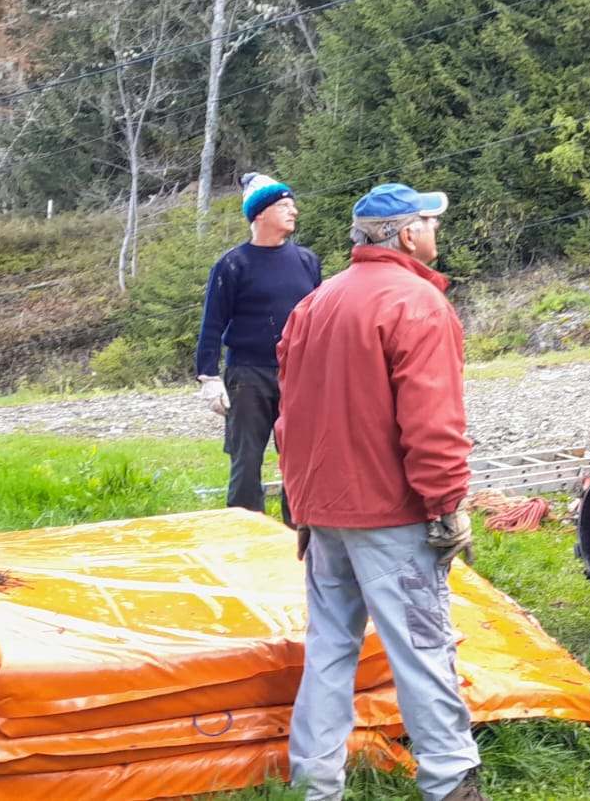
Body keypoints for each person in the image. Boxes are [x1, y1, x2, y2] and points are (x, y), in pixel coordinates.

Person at [275, 182, 486, 801]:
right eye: (429, 221)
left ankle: (314, 787)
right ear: (405, 235)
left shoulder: (313, 305)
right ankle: (450, 783)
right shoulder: (417, 304)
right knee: (423, 651)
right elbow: (433, 423)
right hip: (391, 514)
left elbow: (290, 420)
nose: (435, 232)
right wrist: (447, 506)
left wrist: (302, 507)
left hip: (324, 512)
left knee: (329, 651)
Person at [194, 171, 322, 517]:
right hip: (247, 375)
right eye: (284, 205)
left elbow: (319, 321)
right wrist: (208, 376)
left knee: (299, 459)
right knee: (246, 459)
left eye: (293, 205)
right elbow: (212, 323)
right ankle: (244, 531)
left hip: (297, 375)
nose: (293, 211)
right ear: (260, 213)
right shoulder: (233, 264)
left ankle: (300, 536)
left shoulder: (307, 261)